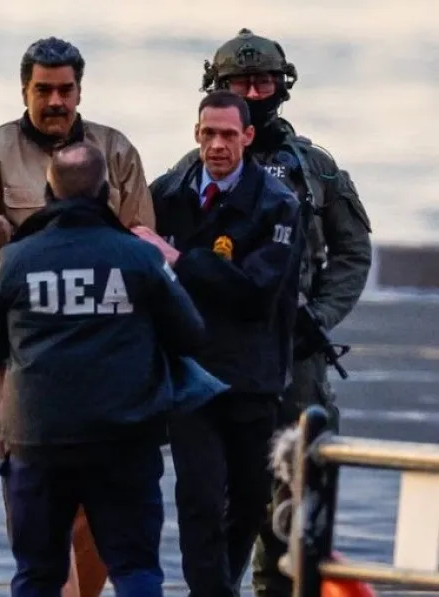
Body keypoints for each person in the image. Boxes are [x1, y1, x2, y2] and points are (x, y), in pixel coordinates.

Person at [0, 36, 156, 597]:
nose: (55, 101)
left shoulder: (115, 151)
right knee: (30, 484)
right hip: (21, 351)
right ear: (25, 91)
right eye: (44, 90)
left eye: (65, 89)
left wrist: (20, 240)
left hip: (106, 346)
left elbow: (142, 241)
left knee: (101, 498)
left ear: (80, 91)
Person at [174, 29, 372, 597]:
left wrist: (321, 316)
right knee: (224, 494)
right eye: (240, 84)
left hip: (296, 354)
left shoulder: (315, 168)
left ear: (282, 87)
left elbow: (352, 251)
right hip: (223, 353)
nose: (254, 93)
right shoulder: (189, 171)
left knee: (298, 491)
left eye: (263, 83)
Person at [0, 141, 222, 597]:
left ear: (49, 194)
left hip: (38, 438)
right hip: (124, 437)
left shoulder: (13, 260)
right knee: (135, 568)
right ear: (107, 192)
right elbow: (191, 334)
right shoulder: (140, 258)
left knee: (37, 574)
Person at [139, 90, 303, 597]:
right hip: (192, 372)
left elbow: (255, 291)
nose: (217, 145)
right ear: (196, 133)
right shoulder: (168, 194)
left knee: (251, 499)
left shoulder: (278, 204)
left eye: (228, 134)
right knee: (200, 497)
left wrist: (180, 260)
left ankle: (220, 585)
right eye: (208, 133)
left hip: (252, 373)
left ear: (247, 137)